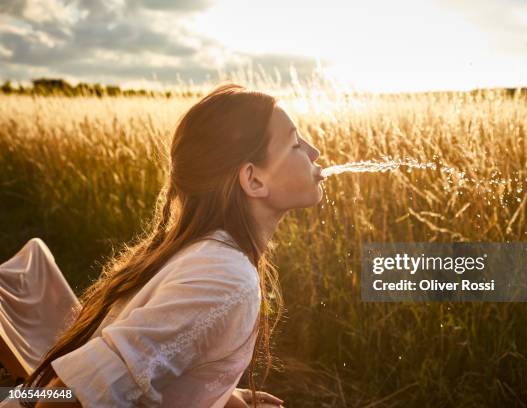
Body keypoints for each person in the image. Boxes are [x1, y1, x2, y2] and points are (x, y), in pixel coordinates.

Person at [5, 83, 325, 407]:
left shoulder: (206, 251)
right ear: (254, 180)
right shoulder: (226, 280)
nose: (315, 152)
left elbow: (154, 369)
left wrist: (218, 397)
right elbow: (61, 402)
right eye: (295, 143)